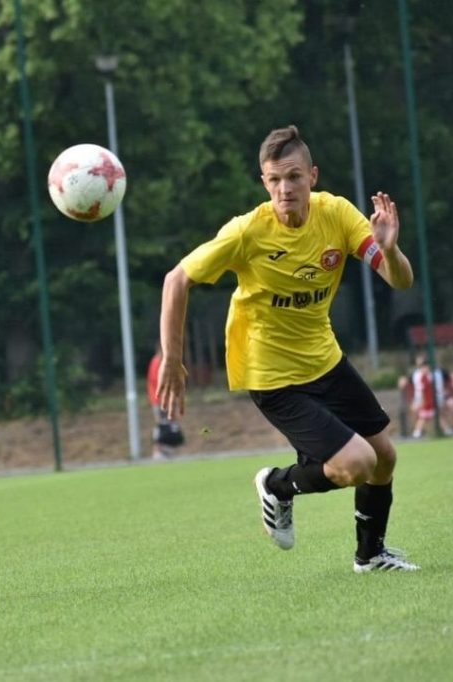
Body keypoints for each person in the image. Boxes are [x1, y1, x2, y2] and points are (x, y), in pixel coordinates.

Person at [158, 125, 420, 572]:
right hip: (271, 374)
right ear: (264, 182)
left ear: (312, 177)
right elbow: (176, 279)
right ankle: (277, 486)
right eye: (275, 179)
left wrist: (390, 251)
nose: (285, 189)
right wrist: (172, 359)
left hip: (324, 360)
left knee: (385, 457)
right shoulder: (248, 232)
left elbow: (401, 281)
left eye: (294, 177)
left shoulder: (337, 214)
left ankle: (371, 555)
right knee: (358, 463)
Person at [147, 346, 184, 460]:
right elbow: (160, 382)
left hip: (161, 399)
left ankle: (166, 449)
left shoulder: (158, 362)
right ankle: (158, 450)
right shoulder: (158, 363)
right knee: (162, 425)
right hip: (160, 400)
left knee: (166, 424)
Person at [409, 353, 453, 438]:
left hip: (432, 400)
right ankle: (417, 432)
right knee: (422, 417)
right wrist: (421, 402)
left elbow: (438, 389)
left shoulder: (434, 374)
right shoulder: (421, 377)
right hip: (426, 401)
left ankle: (446, 430)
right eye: (423, 367)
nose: (425, 369)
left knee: (437, 416)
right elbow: (420, 391)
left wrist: (440, 398)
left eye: (426, 367)